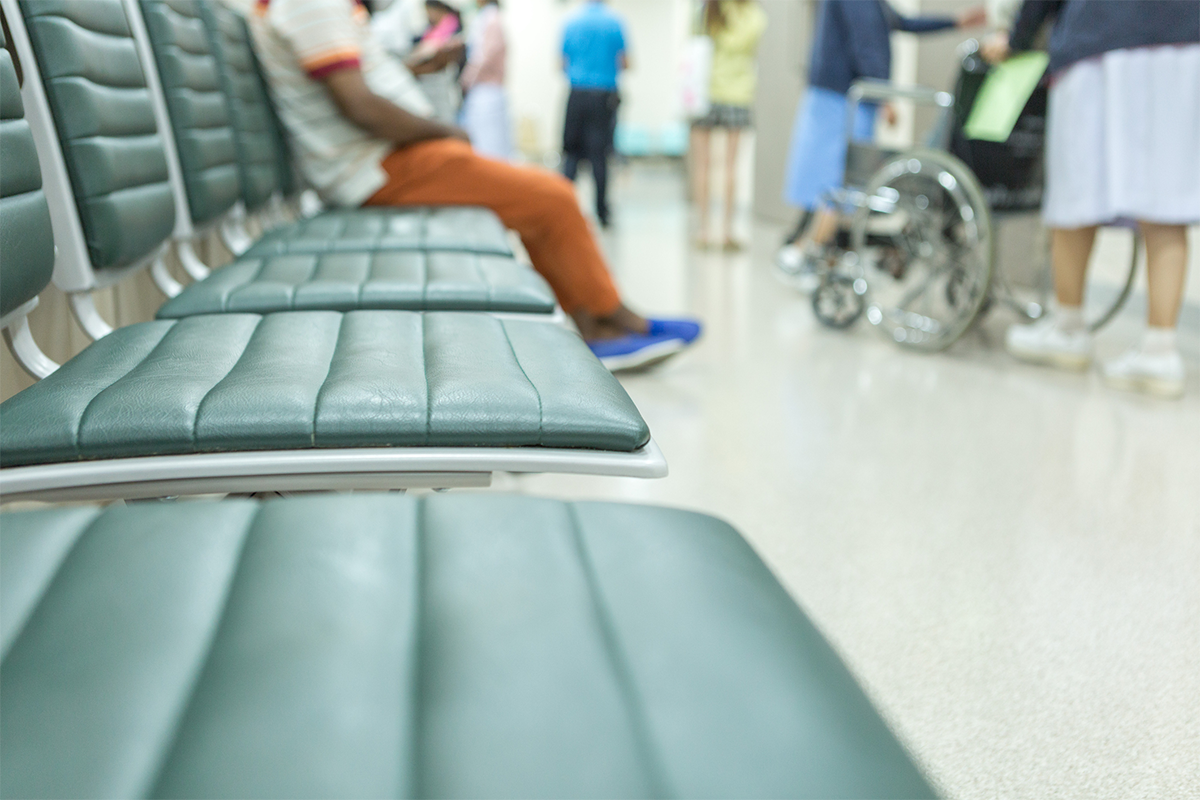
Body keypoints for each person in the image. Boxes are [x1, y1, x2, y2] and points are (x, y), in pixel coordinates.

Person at [246, 0, 701, 369]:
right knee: (553, 198)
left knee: (538, 204)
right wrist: (443, 131)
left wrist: (411, 70)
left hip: (388, 159)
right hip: (384, 166)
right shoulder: (309, 4)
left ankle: (594, 318)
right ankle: (608, 319)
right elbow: (359, 106)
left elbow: (350, 88)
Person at [999, 0, 1200, 398]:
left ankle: (1068, 327)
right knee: (1165, 198)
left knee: (1076, 186)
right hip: (1183, 38)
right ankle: (1160, 349)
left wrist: (1016, 40)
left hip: (1099, 35)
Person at [775, 0, 987, 288]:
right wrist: (885, 96)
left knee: (836, 183)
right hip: (841, 97)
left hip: (838, 94)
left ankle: (809, 251)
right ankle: (808, 254)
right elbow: (865, 39)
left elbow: (898, 21)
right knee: (838, 184)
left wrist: (954, 22)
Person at [689, 0, 767, 251]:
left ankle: (703, 230)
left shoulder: (706, 9)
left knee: (702, 165)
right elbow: (750, 45)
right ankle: (726, 232)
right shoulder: (754, 15)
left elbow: (692, 45)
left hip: (704, 93)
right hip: (738, 95)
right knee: (732, 167)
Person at [560, 0, 628, 228]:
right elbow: (625, 62)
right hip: (604, 96)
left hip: (577, 94)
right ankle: (602, 213)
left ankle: (561, 207)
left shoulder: (572, 22)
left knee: (571, 154)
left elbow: (561, 62)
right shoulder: (615, 23)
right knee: (600, 156)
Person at [459, 0, 511, 160]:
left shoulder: (490, 19)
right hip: (483, 91)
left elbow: (482, 57)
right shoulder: (486, 17)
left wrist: (465, 80)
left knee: (490, 151)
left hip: (486, 92)